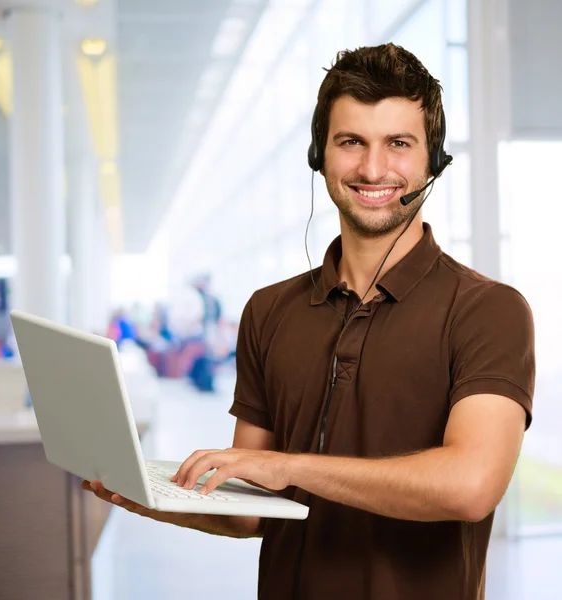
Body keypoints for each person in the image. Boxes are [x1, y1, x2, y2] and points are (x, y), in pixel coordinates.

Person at [84, 43, 535, 600]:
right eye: (351, 142)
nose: (373, 169)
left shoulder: (487, 310)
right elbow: (252, 511)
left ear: (432, 160)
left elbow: (470, 486)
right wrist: (149, 496)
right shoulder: (268, 312)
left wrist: (291, 467)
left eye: (398, 144)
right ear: (319, 154)